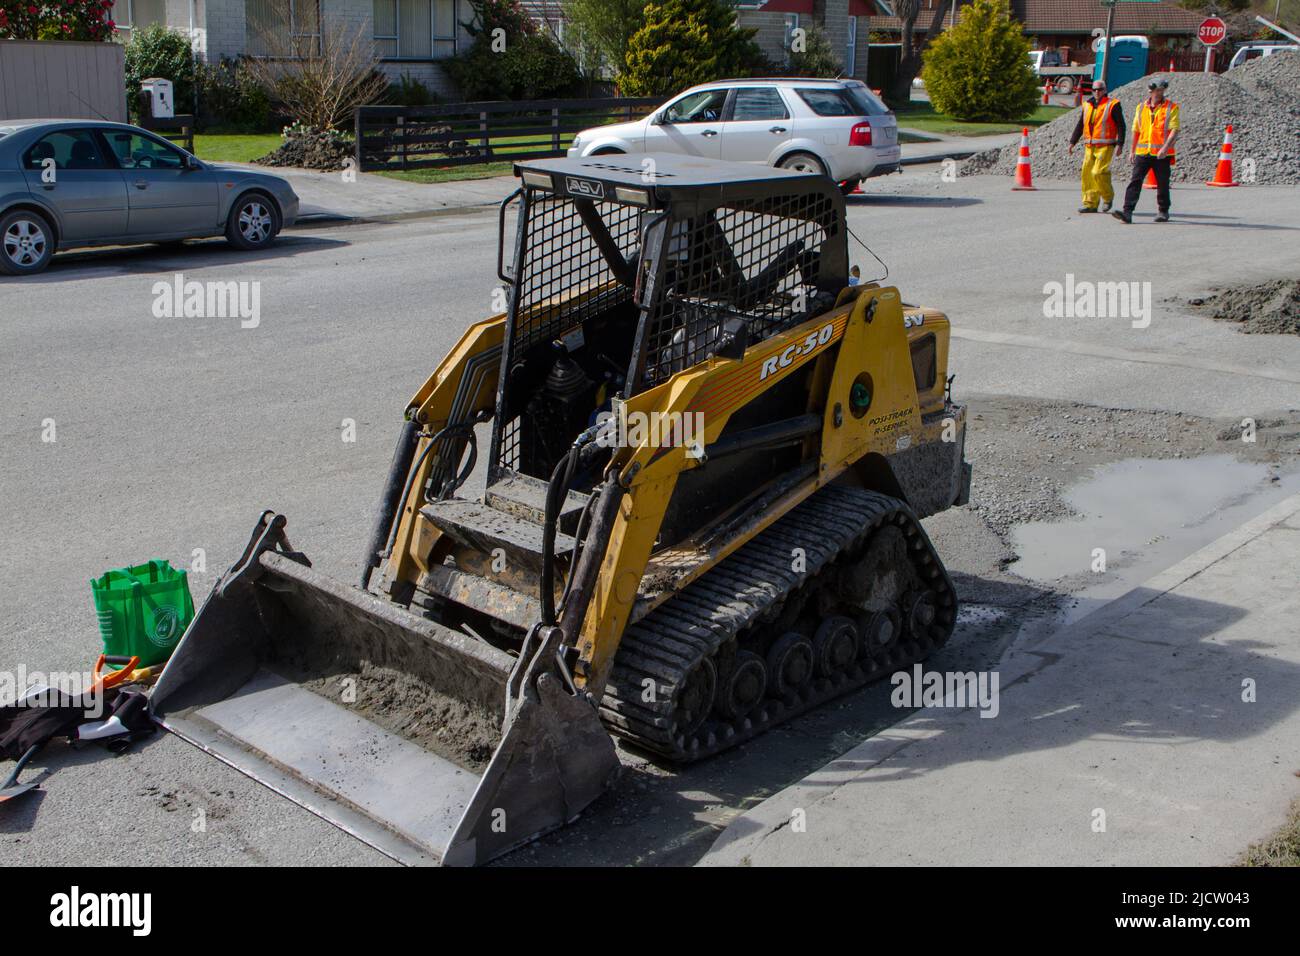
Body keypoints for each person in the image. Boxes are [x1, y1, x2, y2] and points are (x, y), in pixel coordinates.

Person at [1114, 78, 1180, 224]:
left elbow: (1174, 130)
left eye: (1161, 91)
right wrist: (1132, 151)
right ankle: (1127, 212)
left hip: (1162, 154)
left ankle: (1163, 211)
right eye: (1157, 91)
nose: (1159, 93)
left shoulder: (1171, 108)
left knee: (1162, 183)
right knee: (1135, 181)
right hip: (1143, 153)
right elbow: (1136, 130)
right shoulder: (1141, 107)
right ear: (1150, 91)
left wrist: (1165, 148)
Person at [1068, 79, 1125, 213]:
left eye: (1100, 89)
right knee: (1087, 174)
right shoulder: (1087, 105)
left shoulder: (1113, 105)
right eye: (1094, 90)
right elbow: (1081, 124)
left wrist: (1120, 144)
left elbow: (1121, 125)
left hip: (1106, 146)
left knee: (1098, 172)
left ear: (1105, 90)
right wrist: (1072, 142)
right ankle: (1090, 204)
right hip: (1089, 146)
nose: (1097, 92)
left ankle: (1107, 197)